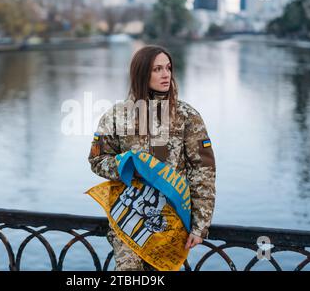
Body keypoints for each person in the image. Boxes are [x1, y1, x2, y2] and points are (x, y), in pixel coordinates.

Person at [88, 45, 216, 271]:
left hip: (170, 220)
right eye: (157, 69)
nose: (166, 74)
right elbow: (97, 160)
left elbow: (203, 171)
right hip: (129, 217)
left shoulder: (187, 116)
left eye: (168, 68)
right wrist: (128, 166)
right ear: (141, 73)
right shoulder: (117, 115)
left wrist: (200, 226)